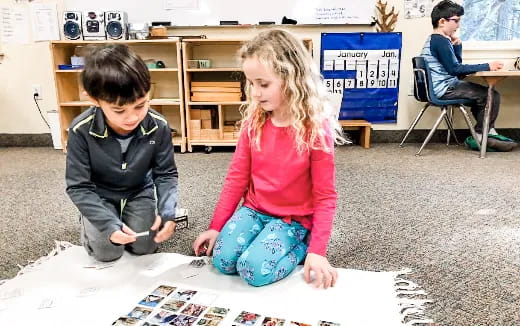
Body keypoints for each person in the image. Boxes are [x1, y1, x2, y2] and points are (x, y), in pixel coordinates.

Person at [193, 29, 346, 288]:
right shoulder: (254, 121)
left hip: (293, 220)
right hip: (255, 209)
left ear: (293, 78)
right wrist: (216, 226)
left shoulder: (315, 129)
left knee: (253, 270)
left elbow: (325, 195)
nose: (255, 92)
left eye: (263, 84)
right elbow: (236, 178)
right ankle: (265, 238)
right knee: (222, 260)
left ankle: (302, 243)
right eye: (251, 83)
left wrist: (317, 251)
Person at [66, 44, 178, 262]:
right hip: (100, 195)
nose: (132, 118)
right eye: (119, 110)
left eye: (140, 105)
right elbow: (78, 186)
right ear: (94, 100)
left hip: (138, 190)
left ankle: (120, 218)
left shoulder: (159, 125)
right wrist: (107, 224)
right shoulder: (81, 130)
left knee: (145, 247)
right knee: (107, 252)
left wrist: (167, 211)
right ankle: (92, 220)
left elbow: (165, 174)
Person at [421, 0, 516, 151]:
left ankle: (484, 131)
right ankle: (483, 133)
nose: (458, 25)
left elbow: (455, 67)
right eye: (456, 21)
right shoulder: (439, 41)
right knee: (491, 95)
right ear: (442, 21)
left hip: (443, 86)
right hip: (445, 89)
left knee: (482, 97)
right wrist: (487, 66)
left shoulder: (437, 40)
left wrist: (457, 46)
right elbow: (455, 69)